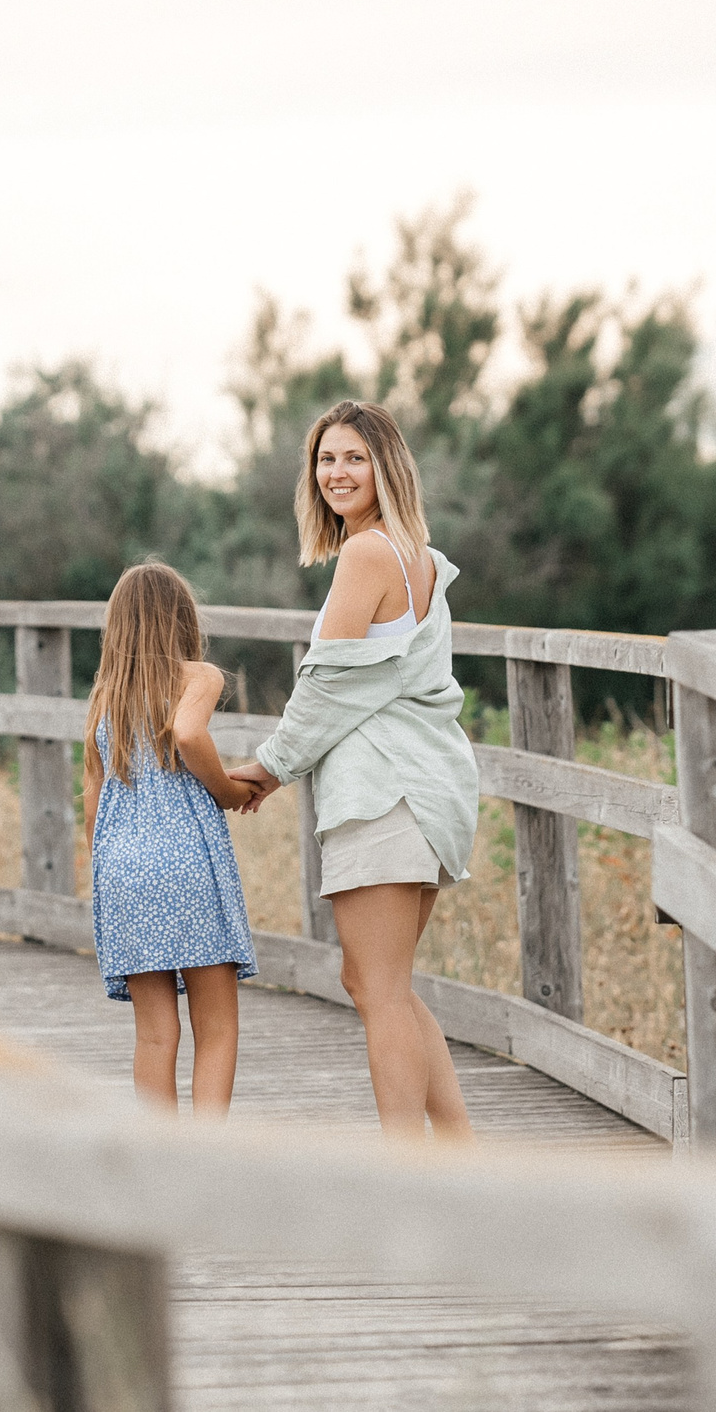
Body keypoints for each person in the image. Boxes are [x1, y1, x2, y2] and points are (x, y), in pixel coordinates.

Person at [229, 400, 477, 1140]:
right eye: (326, 459)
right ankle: (464, 1158)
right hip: (425, 788)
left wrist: (269, 767)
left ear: (386, 466)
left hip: (386, 791)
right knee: (377, 983)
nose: (336, 472)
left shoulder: (369, 553)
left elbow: (328, 685)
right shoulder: (416, 555)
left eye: (353, 458)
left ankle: (407, 1175)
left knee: (379, 986)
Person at [84, 561, 260, 1117]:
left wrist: (108, 868)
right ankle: (205, 1168)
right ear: (183, 619)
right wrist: (231, 791)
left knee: (155, 1036)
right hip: (187, 864)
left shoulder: (105, 695)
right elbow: (187, 732)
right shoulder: (198, 676)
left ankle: (160, 1170)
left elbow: (92, 792)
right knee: (217, 1027)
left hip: (121, 869)